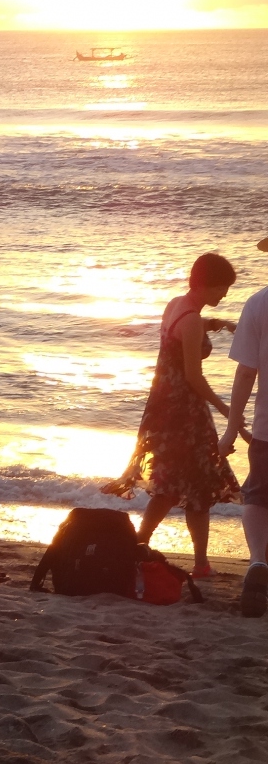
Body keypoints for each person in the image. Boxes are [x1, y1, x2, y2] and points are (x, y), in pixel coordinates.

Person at [102, 252, 242, 577]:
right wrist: (227, 410)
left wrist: (217, 323)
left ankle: (142, 546)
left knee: (173, 485)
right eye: (223, 288)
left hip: (164, 407)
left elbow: (185, 331)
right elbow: (194, 376)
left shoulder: (176, 305)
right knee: (196, 488)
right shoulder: (192, 319)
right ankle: (197, 563)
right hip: (186, 414)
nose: (225, 294)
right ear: (207, 285)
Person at [221, 235, 268, 616]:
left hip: (267, 427)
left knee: (256, 495)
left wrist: (232, 426)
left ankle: (256, 561)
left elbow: (245, 374)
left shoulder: (258, 303)